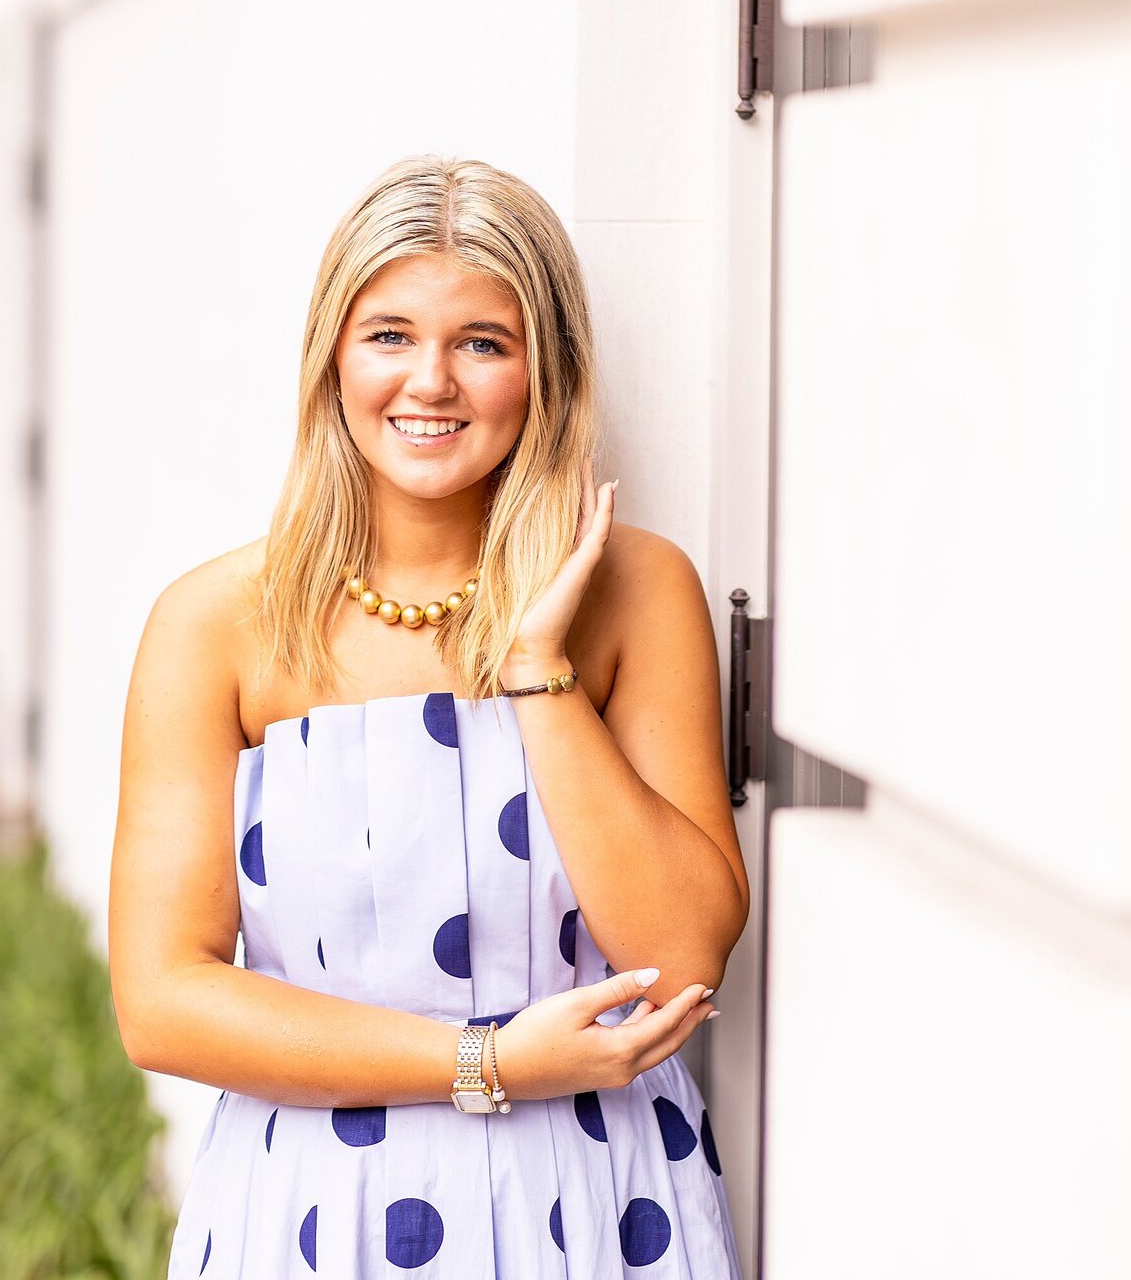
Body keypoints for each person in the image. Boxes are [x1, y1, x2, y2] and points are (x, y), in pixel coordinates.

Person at [109, 154, 749, 1277]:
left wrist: (539, 668)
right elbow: (163, 1000)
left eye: (483, 343)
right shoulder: (214, 625)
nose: (432, 382)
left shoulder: (639, 594)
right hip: (314, 1211)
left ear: (545, 372)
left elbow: (684, 952)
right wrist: (488, 1062)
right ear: (333, 358)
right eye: (391, 335)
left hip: (592, 1201)